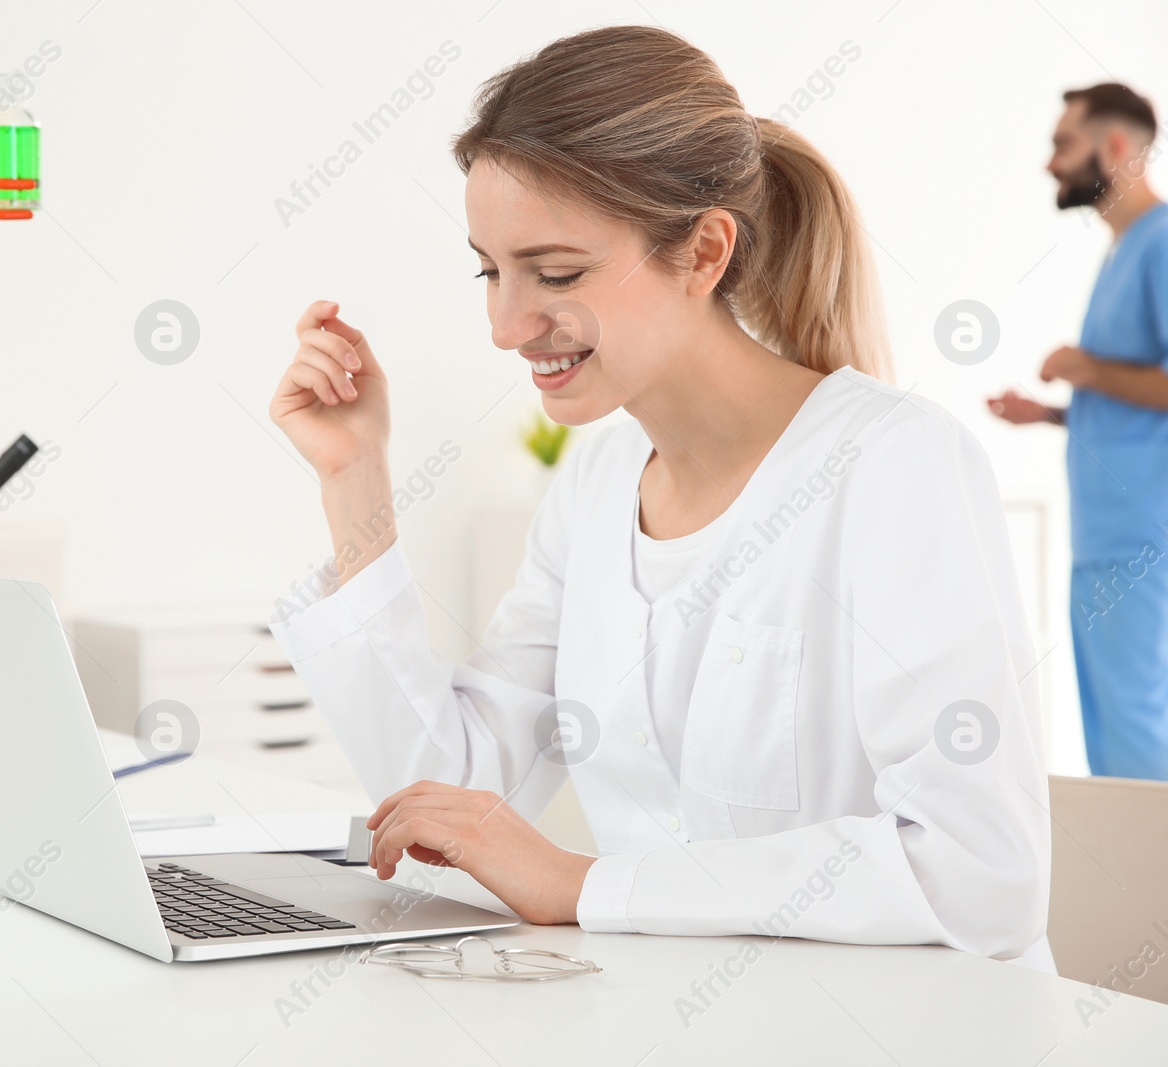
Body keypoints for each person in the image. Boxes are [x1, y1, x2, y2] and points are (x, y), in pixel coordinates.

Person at [267, 26, 1052, 968]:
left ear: (704, 251)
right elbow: (441, 800)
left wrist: (581, 884)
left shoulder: (894, 467)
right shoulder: (593, 490)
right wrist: (355, 480)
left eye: (556, 272)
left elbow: (980, 873)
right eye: (489, 268)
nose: (506, 324)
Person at [988, 84, 1167, 782]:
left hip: (1141, 542)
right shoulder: (1122, 250)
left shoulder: (1159, 243)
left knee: (1135, 736)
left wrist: (1086, 368)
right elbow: (1137, 403)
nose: (1051, 163)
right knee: (1110, 737)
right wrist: (1056, 413)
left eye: (1064, 144)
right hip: (1102, 540)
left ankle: (1148, 891)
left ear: (1115, 148)